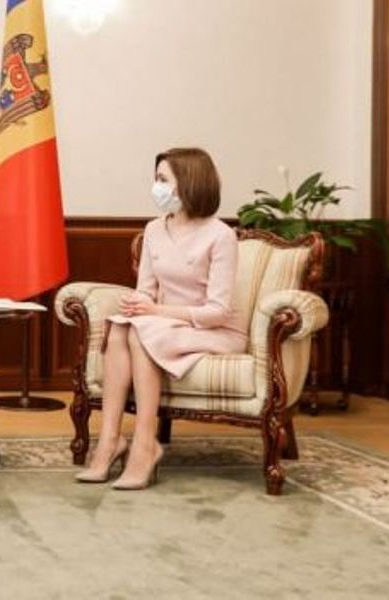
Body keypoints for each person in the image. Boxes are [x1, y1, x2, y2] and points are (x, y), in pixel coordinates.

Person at [76, 147, 247, 490]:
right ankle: (110, 440)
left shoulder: (220, 235)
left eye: (163, 179)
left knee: (141, 332)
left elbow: (217, 311)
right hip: (165, 324)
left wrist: (155, 312)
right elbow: (147, 290)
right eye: (156, 179)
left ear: (189, 182)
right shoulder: (154, 229)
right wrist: (136, 304)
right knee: (121, 327)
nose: (157, 187)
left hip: (213, 329)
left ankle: (145, 444)